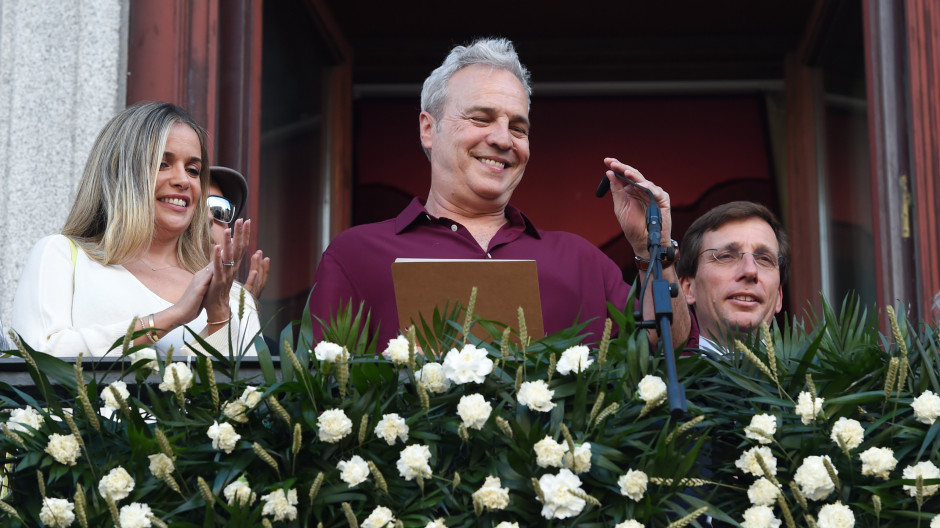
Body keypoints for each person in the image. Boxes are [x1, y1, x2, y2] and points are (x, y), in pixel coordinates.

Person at [309, 37, 694, 348]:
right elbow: (326, 401)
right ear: (429, 128)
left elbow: (670, 353)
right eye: (481, 118)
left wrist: (652, 248)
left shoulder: (582, 262)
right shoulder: (356, 255)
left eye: (519, 128)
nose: (502, 139)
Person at [11, 102, 261, 357]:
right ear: (119, 173)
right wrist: (170, 317)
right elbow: (37, 357)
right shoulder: (61, 256)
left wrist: (218, 313)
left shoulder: (236, 299)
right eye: (162, 164)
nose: (183, 180)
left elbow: (241, 392)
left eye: (193, 170)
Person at [675, 201, 789, 354]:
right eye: (726, 256)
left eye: (764, 259)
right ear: (688, 289)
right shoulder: (655, 374)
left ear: (779, 297)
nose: (750, 271)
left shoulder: (812, 377)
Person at [207, 166, 270, 299]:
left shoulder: (240, 302)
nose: (209, 218)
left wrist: (242, 311)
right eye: (196, 208)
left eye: (219, 209)